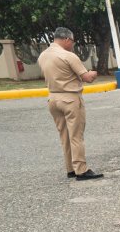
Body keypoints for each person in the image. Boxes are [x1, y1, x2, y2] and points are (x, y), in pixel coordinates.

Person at [37, 27, 102, 180]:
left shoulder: (43, 55)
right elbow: (86, 77)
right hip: (70, 98)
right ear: (66, 39)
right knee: (76, 136)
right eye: (72, 41)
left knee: (64, 136)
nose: (72, 44)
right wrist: (93, 73)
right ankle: (81, 169)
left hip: (53, 98)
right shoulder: (68, 56)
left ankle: (70, 168)